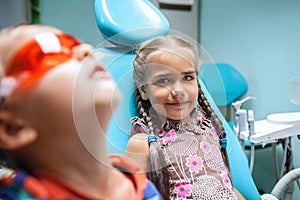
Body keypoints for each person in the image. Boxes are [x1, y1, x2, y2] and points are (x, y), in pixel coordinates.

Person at [0, 24, 162, 200]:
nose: (87, 49)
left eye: (76, 43)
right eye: (49, 51)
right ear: (13, 127)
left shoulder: (141, 187)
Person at [126, 35, 245, 199]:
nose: (178, 90)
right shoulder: (143, 144)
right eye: (163, 80)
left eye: (187, 77)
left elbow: (225, 188)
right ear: (144, 90)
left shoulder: (209, 128)